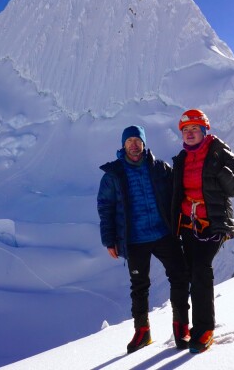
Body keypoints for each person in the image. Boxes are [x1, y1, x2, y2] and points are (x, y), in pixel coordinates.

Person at [97, 125, 191, 354]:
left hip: (164, 233)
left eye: (137, 140)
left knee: (179, 277)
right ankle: (142, 331)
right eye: (129, 141)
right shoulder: (114, 175)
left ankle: (181, 327)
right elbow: (105, 207)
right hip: (135, 239)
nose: (133, 144)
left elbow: (178, 193)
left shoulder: (159, 168)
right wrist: (110, 240)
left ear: (144, 143)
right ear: (123, 145)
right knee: (139, 287)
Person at [171, 109, 234, 353]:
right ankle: (194, 326)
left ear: (205, 131)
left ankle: (204, 329)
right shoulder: (182, 158)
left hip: (214, 222)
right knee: (191, 272)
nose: (190, 134)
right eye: (186, 130)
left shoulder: (219, 152)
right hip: (188, 225)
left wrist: (219, 170)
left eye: (195, 129)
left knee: (201, 269)